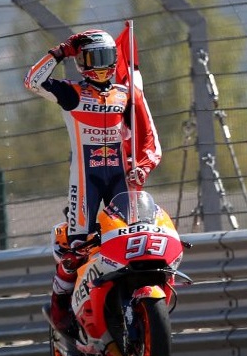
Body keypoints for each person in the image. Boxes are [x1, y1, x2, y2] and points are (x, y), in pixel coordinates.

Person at [24, 29, 162, 333]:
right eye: (92, 58)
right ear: (80, 61)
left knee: (132, 240)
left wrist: (141, 165)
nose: (100, 65)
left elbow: (145, 133)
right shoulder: (72, 92)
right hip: (85, 180)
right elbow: (32, 81)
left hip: (119, 178)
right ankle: (60, 309)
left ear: (115, 59)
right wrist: (59, 52)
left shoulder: (125, 94)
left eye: (106, 57)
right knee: (75, 251)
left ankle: (127, 302)